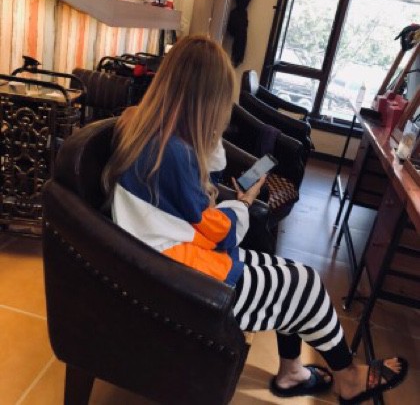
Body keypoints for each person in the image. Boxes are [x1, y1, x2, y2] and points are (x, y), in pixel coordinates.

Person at [102, 35, 408, 404]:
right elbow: (218, 233)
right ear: (208, 101)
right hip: (179, 281)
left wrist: (213, 167)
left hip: (161, 261)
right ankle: (349, 379)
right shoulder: (174, 154)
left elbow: (193, 211)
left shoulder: (144, 128)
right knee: (306, 285)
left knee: (294, 274)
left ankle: (293, 372)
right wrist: (243, 203)